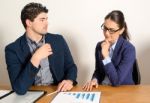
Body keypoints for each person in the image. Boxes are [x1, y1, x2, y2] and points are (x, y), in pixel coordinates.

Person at [5, 2, 77, 95]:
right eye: (42, 20)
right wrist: (36, 58)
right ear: (29, 23)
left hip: (57, 91)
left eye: (46, 19)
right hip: (31, 94)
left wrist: (69, 80)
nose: (47, 23)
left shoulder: (58, 40)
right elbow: (19, 88)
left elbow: (71, 67)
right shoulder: (12, 49)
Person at [83, 10, 136, 91]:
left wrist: (106, 56)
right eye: (105, 28)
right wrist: (94, 80)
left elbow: (117, 81)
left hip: (122, 91)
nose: (106, 33)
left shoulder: (129, 49)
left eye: (111, 30)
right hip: (103, 89)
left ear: (121, 30)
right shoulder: (99, 46)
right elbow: (98, 71)